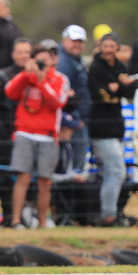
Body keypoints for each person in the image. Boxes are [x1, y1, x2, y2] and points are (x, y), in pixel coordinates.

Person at [4, 43, 68, 229]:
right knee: (22, 178)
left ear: (52, 61)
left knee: (44, 181)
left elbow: (57, 102)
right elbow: (10, 91)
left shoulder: (59, 79)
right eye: (38, 59)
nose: (42, 63)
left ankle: (41, 222)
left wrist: (42, 81)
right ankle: (16, 221)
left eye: (45, 59)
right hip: (25, 133)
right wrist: (26, 74)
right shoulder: (25, 76)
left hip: (48, 137)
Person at [88, 32, 138, 226]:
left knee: (112, 172)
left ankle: (110, 212)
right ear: (100, 47)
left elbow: (128, 91)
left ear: (117, 48)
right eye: (105, 46)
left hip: (116, 126)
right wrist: (117, 87)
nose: (109, 50)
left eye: (112, 46)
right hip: (101, 127)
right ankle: (108, 214)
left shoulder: (118, 66)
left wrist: (118, 87)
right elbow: (102, 95)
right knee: (117, 171)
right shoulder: (96, 68)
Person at [0, 37, 32, 168]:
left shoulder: (39, 76)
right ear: (13, 54)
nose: (24, 56)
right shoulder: (1, 77)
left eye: (27, 52)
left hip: (30, 134)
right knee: (4, 176)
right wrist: (3, 133)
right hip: (5, 135)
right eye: (20, 52)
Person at [56, 24, 90, 172]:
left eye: (80, 41)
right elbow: (63, 94)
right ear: (64, 40)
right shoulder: (64, 62)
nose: (77, 44)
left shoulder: (76, 60)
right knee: (74, 163)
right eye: (74, 40)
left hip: (77, 118)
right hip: (72, 121)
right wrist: (72, 120)